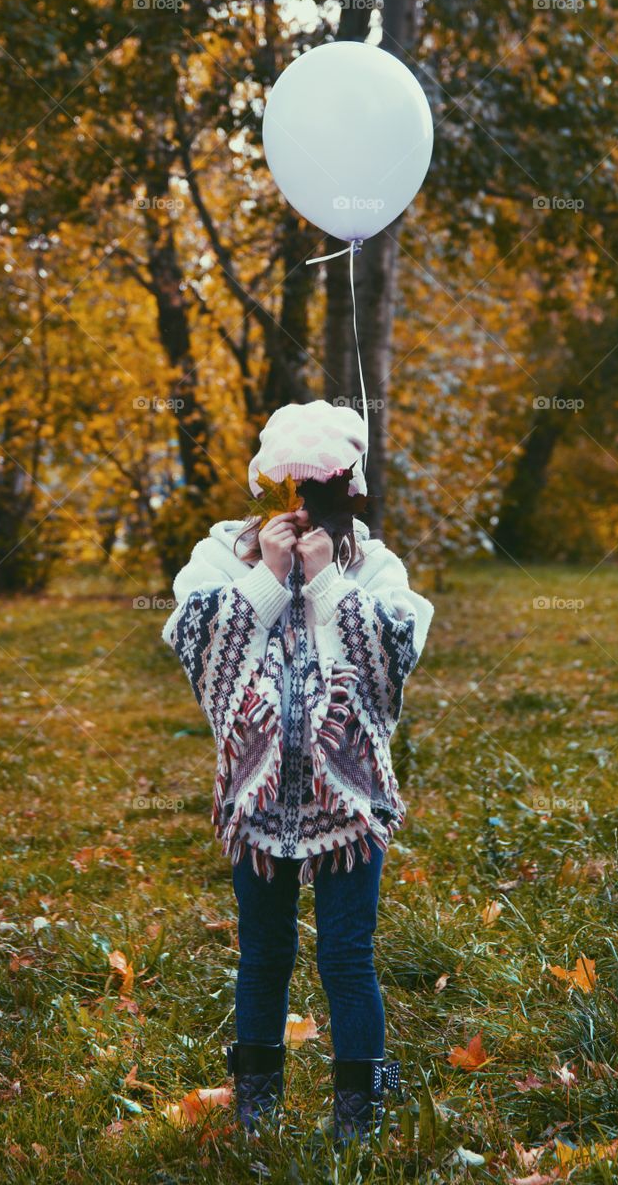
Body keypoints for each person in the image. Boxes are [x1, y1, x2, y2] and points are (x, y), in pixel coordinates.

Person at [161, 399, 434, 1146]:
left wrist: (323, 587)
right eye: (290, 489)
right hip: (256, 793)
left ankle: (360, 1106)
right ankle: (257, 1104)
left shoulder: (372, 564)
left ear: (349, 491)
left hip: (348, 795)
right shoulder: (222, 554)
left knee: (347, 952)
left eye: (323, 491)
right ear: (265, 486)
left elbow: (394, 650)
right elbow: (192, 637)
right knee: (264, 950)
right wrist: (270, 575)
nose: (307, 509)